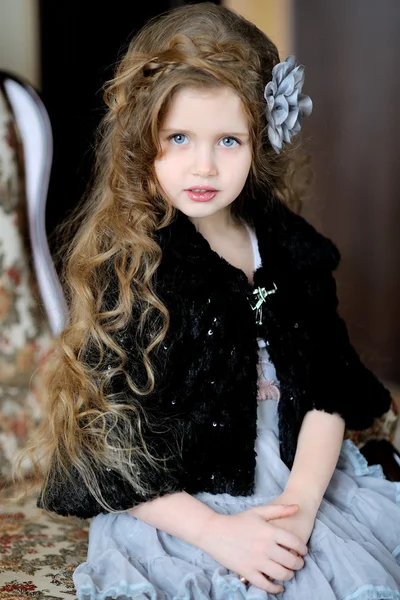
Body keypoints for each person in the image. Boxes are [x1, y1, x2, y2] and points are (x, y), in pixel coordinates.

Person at [11, 2, 400, 598]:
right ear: (146, 143)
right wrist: (221, 534)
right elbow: (109, 448)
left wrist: (297, 505)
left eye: (228, 140)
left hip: (295, 471)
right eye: (180, 138)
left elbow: (324, 387)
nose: (204, 165)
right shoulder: (135, 270)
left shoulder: (289, 249)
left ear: (260, 141)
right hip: (184, 504)